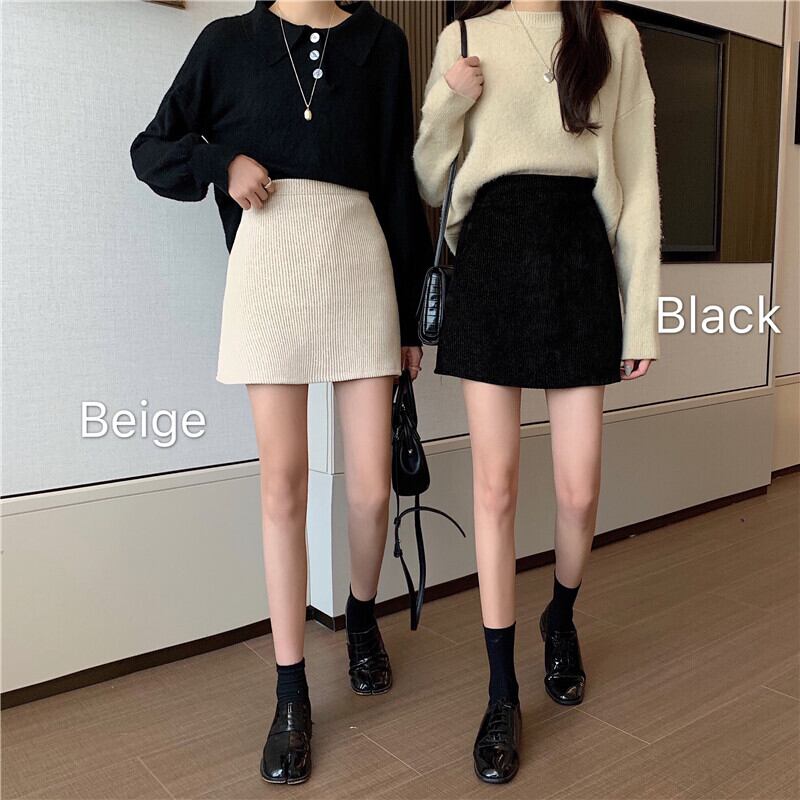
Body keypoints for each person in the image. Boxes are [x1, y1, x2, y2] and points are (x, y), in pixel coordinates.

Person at [131, 0, 431, 785]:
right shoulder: (228, 42)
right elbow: (151, 149)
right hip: (267, 275)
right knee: (283, 487)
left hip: (360, 266)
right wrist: (221, 163)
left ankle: (361, 615)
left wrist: (410, 318)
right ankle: (291, 690)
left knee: (370, 491)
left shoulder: (382, 42)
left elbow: (397, 177)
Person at [414, 0, 661, 784]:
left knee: (579, 488)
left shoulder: (613, 37)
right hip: (491, 257)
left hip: (578, 256)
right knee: (495, 489)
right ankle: (500, 691)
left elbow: (639, 178)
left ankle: (560, 614)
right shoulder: (464, 38)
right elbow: (430, 175)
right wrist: (449, 99)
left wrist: (641, 315)